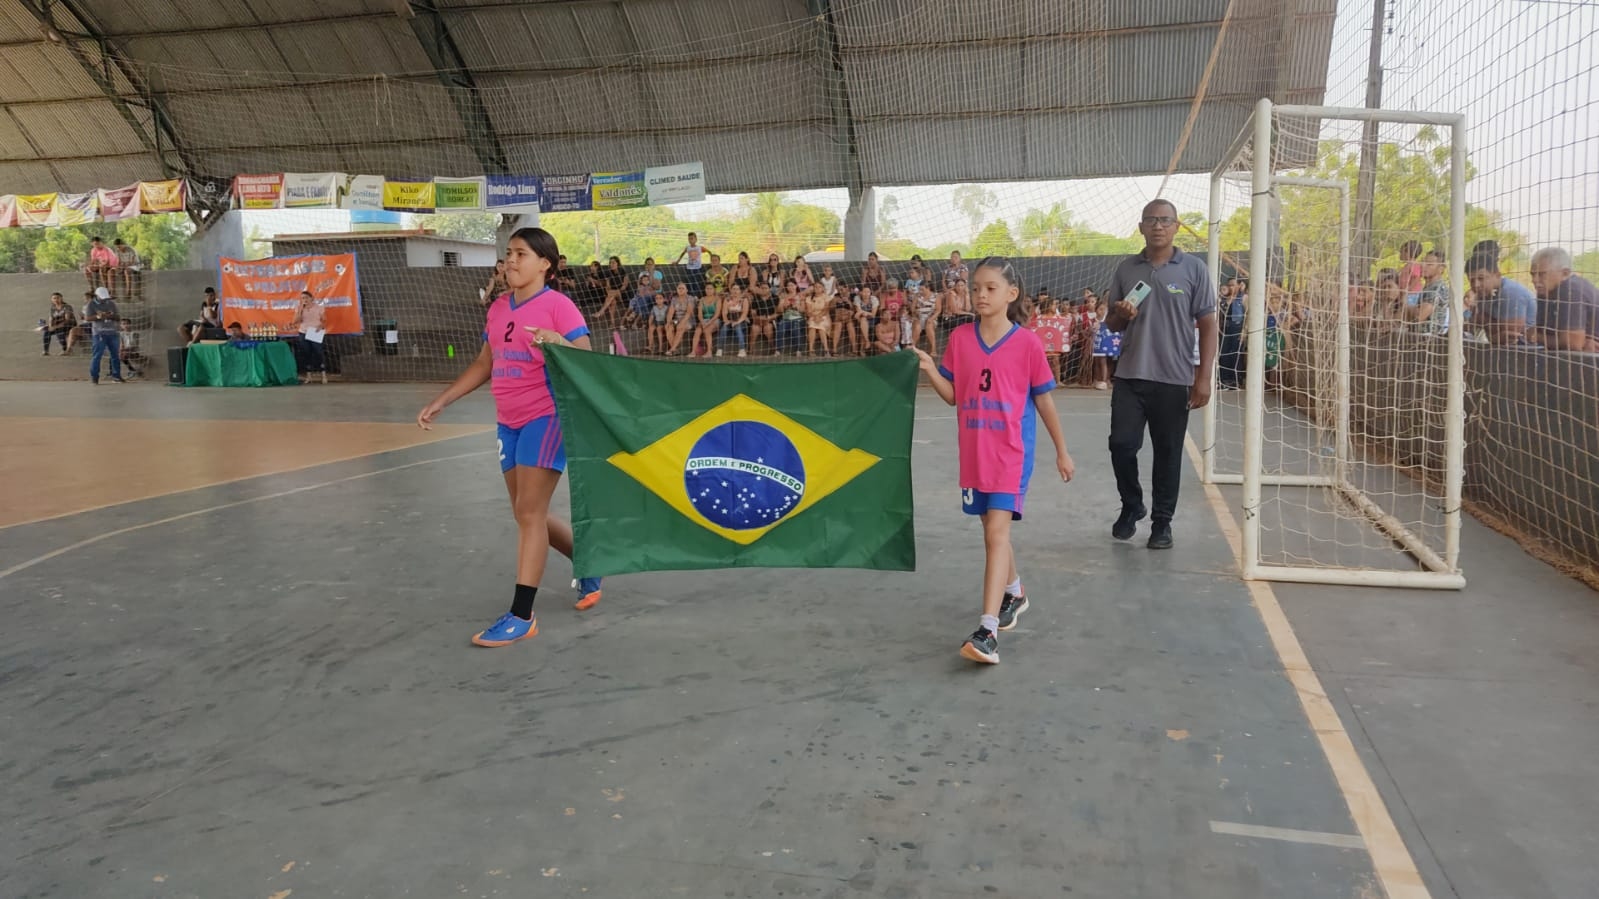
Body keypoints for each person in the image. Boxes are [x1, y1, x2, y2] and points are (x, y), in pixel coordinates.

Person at [417, 226, 604, 647]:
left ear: (545, 265)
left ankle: (522, 615)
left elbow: (588, 361)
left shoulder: (559, 307)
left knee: (530, 514)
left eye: (521, 254)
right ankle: (589, 559)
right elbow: (485, 363)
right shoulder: (499, 308)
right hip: (509, 421)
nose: (511, 262)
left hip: (548, 417)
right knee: (526, 512)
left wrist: (559, 342)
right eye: (509, 254)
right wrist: (443, 399)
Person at [914, 257, 1074, 665]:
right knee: (991, 528)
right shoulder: (963, 340)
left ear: (1010, 294)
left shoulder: (1027, 344)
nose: (980, 295)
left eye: (990, 288)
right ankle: (1015, 591)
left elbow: (1044, 401)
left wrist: (1062, 450)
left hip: (1010, 453)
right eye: (976, 287)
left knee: (995, 535)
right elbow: (954, 396)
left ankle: (987, 630)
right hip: (974, 452)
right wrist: (932, 368)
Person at [1101, 199, 1218, 549]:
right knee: (1121, 444)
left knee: (1167, 454)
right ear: (1140, 227)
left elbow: (1209, 324)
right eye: (1151, 220)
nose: (1158, 226)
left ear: (1177, 226)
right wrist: (1121, 314)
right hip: (1130, 375)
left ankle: (1162, 523)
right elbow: (1111, 324)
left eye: (1165, 220)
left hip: (1174, 377)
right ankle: (1132, 505)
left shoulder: (1194, 269)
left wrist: (1203, 377)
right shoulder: (1126, 269)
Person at [1530, 246, 1599, 351]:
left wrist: (1535, 337)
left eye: (1542, 274)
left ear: (1565, 273)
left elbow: (1573, 344)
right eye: (1533, 274)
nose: (1534, 280)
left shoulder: (1570, 289)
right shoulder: (1546, 291)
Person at [1467, 253, 1536, 345]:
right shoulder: (1483, 292)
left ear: (1497, 275)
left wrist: (1483, 320)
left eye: (1481, 278)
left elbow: (1511, 337)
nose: (1476, 285)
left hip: (1527, 351)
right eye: (1471, 280)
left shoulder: (1511, 292)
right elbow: (1471, 324)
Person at [83, 286, 124, 384]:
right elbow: (87, 318)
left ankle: (116, 376)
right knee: (97, 355)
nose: (104, 299)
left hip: (113, 333)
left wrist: (110, 316)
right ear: (97, 296)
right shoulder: (91, 304)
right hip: (99, 333)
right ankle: (95, 377)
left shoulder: (111, 303)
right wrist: (98, 316)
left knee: (115, 355)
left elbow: (118, 317)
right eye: (102, 297)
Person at [289, 290, 328, 384]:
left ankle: (323, 375)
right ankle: (309, 376)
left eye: (306, 298)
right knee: (306, 353)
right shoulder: (299, 308)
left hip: (315, 331)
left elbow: (324, 320)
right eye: (302, 298)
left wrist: (320, 326)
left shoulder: (319, 308)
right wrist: (300, 310)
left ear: (311, 298)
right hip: (303, 332)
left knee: (318, 352)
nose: (304, 300)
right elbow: (295, 321)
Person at [674, 231, 705, 297]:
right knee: (690, 283)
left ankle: (696, 296)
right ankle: (690, 296)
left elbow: (709, 251)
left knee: (696, 283)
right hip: (689, 268)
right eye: (689, 239)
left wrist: (711, 259)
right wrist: (677, 261)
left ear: (696, 239)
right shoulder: (688, 248)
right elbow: (682, 253)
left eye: (692, 238)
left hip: (697, 268)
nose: (690, 240)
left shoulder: (700, 248)